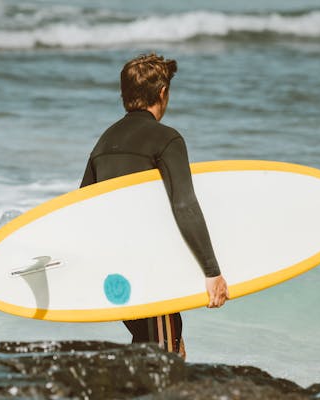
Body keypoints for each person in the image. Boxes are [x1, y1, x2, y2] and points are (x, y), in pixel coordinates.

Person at [80, 54, 229, 359]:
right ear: (163, 93)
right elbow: (184, 203)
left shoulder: (104, 142)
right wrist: (212, 271)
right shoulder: (167, 139)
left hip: (114, 273)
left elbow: (82, 207)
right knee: (165, 353)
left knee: (152, 342)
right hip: (149, 267)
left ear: (125, 95)